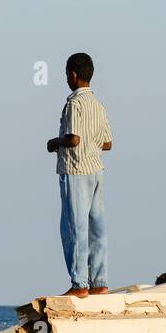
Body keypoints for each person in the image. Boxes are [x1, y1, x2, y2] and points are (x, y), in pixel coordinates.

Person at [46, 52, 113, 297]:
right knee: (97, 228)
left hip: (75, 170)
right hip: (96, 170)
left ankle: (80, 284)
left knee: (75, 227)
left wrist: (55, 142)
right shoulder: (98, 105)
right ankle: (100, 282)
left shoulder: (74, 103)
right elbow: (107, 143)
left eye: (66, 74)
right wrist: (90, 145)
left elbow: (73, 139)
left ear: (73, 75)